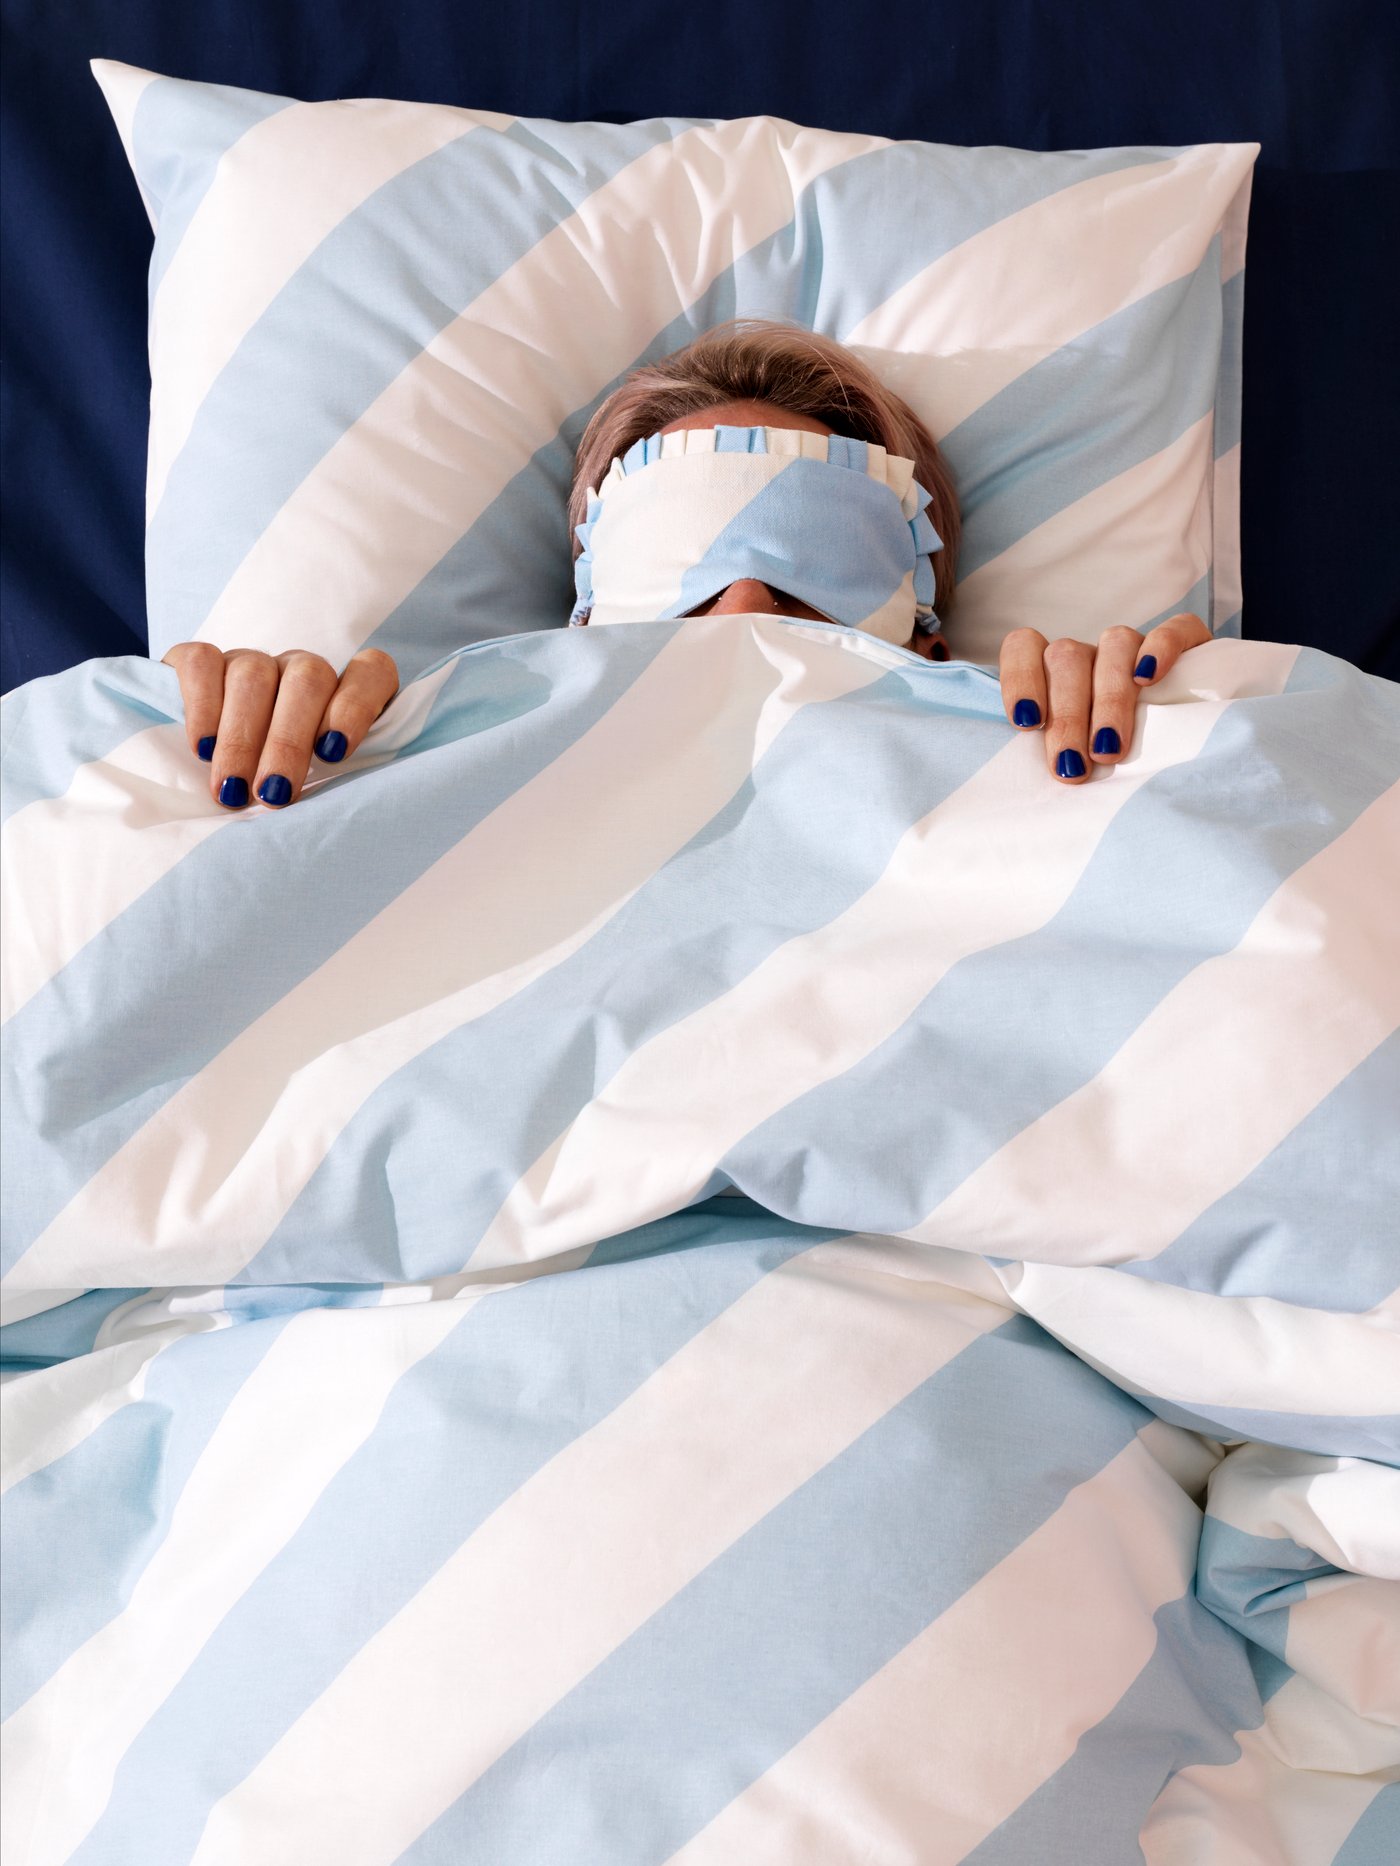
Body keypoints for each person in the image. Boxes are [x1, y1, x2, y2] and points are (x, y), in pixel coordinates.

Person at [163, 319, 1210, 811]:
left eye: (812, 575)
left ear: (927, 640)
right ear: (579, 632)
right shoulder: (429, 766)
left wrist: (1187, 726)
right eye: (682, 583)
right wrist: (228, 756)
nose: (746, 609)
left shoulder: (1023, 759)